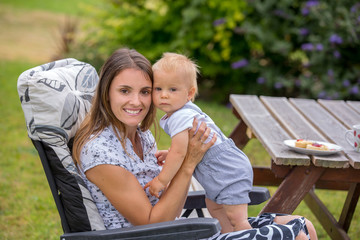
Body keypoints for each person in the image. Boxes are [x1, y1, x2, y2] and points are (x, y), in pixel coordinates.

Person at [72, 48, 317, 239]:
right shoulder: (99, 152)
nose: (136, 101)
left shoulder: (140, 135)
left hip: (178, 229)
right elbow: (152, 224)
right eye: (124, 91)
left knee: (303, 225)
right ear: (106, 93)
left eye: (145, 91)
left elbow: (166, 200)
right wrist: (188, 163)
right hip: (157, 235)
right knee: (296, 235)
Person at [145, 52, 253, 233]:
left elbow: (179, 153)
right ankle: (228, 236)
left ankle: (247, 236)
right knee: (215, 208)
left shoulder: (180, 116)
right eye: (158, 89)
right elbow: (183, 145)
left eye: (172, 90)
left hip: (227, 170)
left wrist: (161, 180)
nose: (164, 95)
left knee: (237, 218)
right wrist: (170, 152)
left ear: (189, 93)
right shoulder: (183, 112)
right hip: (220, 169)